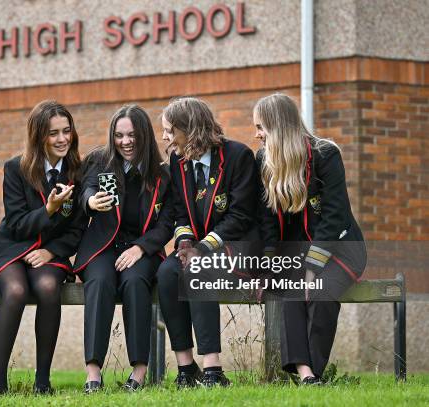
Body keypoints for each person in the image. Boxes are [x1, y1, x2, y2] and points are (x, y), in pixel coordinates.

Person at [253, 93, 366, 384]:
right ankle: (305, 374)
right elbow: (267, 221)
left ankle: (313, 371)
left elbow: (335, 215)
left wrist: (313, 265)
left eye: (261, 127)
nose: (257, 135)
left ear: (278, 126)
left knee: (319, 290)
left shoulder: (326, 154)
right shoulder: (263, 160)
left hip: (340, 247)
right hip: (293, 251)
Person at [0, 100, 85, 394]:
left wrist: (51, 252)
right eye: (53, 133)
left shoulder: (78, 170)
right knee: (15, 291)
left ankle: (43, 381)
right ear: (39, 137)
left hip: (50, 251)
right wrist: (48, 209)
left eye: (66, 131)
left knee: (49, 287)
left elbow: (77, 228)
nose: (62, 139)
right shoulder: (16, 168)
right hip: (12, 247)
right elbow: (17, 223)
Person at [157, 97, 259, 388]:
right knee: (166, 273)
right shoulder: (178, 161)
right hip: (197, 250)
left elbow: (241, 216)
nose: (165, 137)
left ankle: (213, 370)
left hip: (236, 248)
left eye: (169, 130)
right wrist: (186, 242)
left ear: (189, 129)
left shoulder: (237, 156)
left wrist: (202, 249)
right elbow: (179, 211)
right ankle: (186, 369)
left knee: (196, 271)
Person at [73, 105, 174, 393]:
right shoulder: (100, 161)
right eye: (119, 135)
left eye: (132, 135)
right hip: (103, 245)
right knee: (101, 281)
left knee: (134, 281)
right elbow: (88, 189)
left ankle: (139, 370)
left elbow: (166, 224)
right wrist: (91, 201)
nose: (125, 142)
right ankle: (93, 371)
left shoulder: (162, 175)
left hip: (141, 248)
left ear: (143, 135)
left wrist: (142, 248)